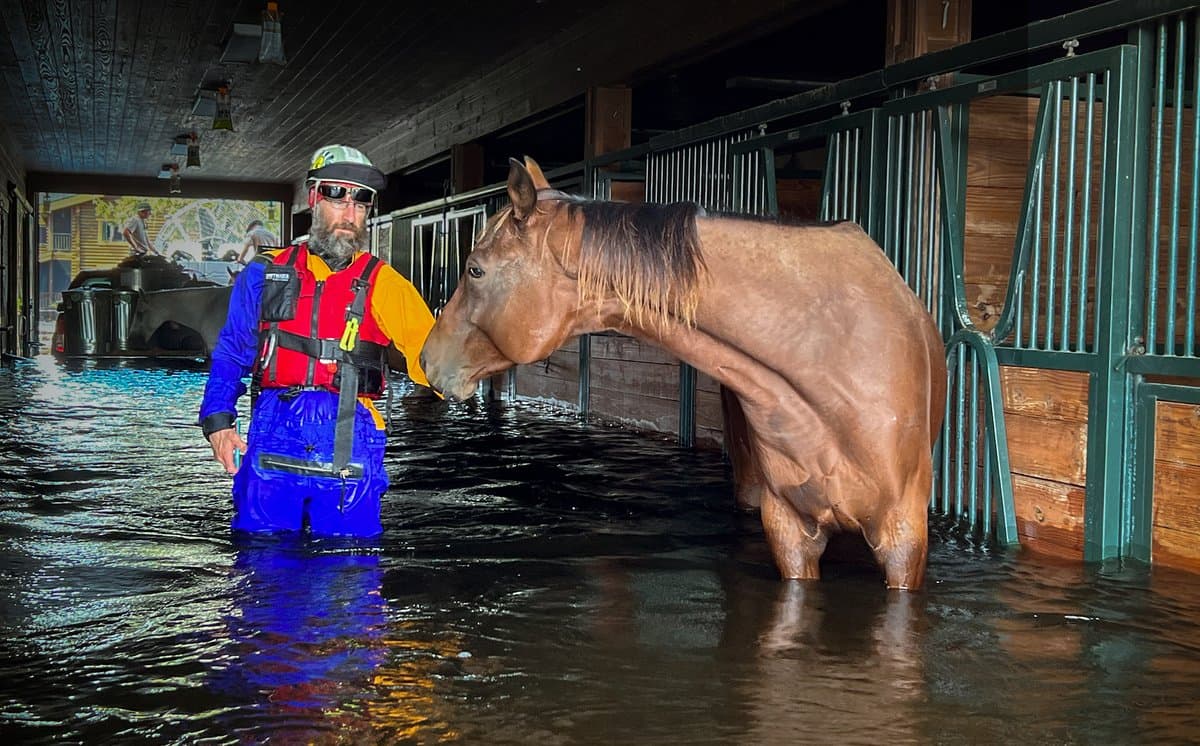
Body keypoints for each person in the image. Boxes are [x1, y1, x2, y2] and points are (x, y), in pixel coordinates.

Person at [198, 144, 436, 537]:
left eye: (361, 201)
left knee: (349, 579)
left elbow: (440, 364)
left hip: (352, 438)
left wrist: (489, 346)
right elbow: (232, 352)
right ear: (313, 198)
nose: (349, 210)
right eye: (337, 194)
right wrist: (218, 422)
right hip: (274, 433)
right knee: (262, 574)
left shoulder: (387, 284)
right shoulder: (263, 273)